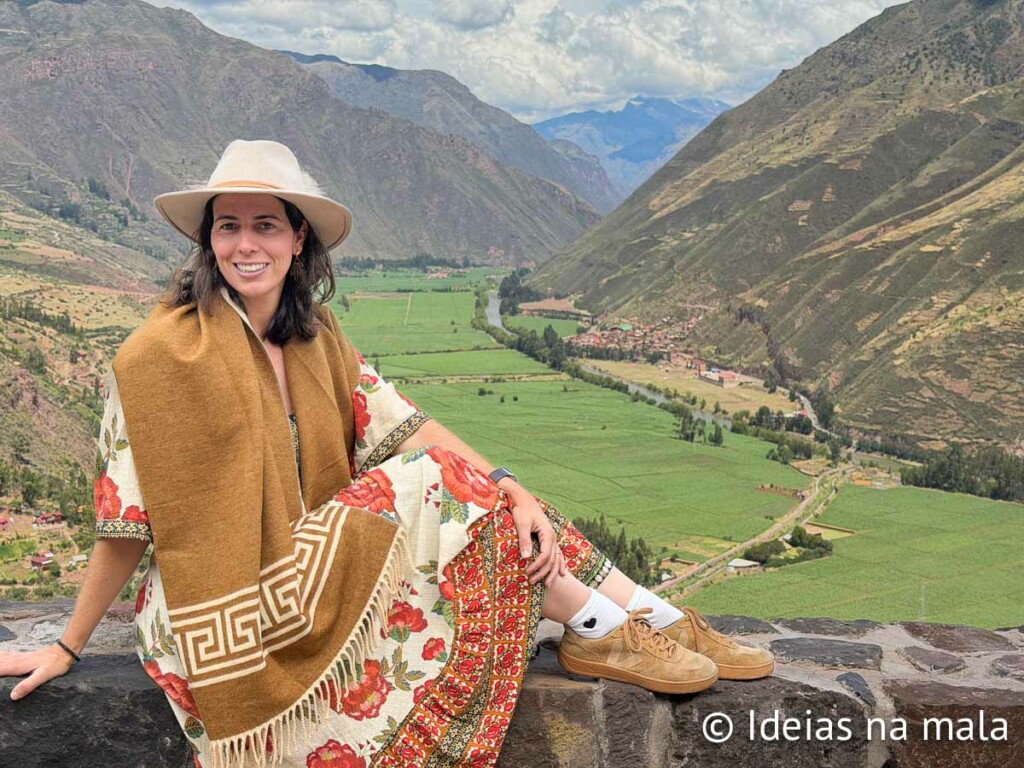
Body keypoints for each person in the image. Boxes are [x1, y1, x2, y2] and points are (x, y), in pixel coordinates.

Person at [0, 140, 772, 767]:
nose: (245, 244)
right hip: (225, 602)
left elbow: (407, 426)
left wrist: (513, 487)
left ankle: (653, 616)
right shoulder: (158, 359)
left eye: (265, 225)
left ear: (298, 239)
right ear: (209, 241)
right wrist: (69, 643)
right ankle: (599, 629)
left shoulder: (315, 339)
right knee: (435, 482)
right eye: (227, 226)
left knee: (499, 502)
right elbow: (124, 520)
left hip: (309, 564)